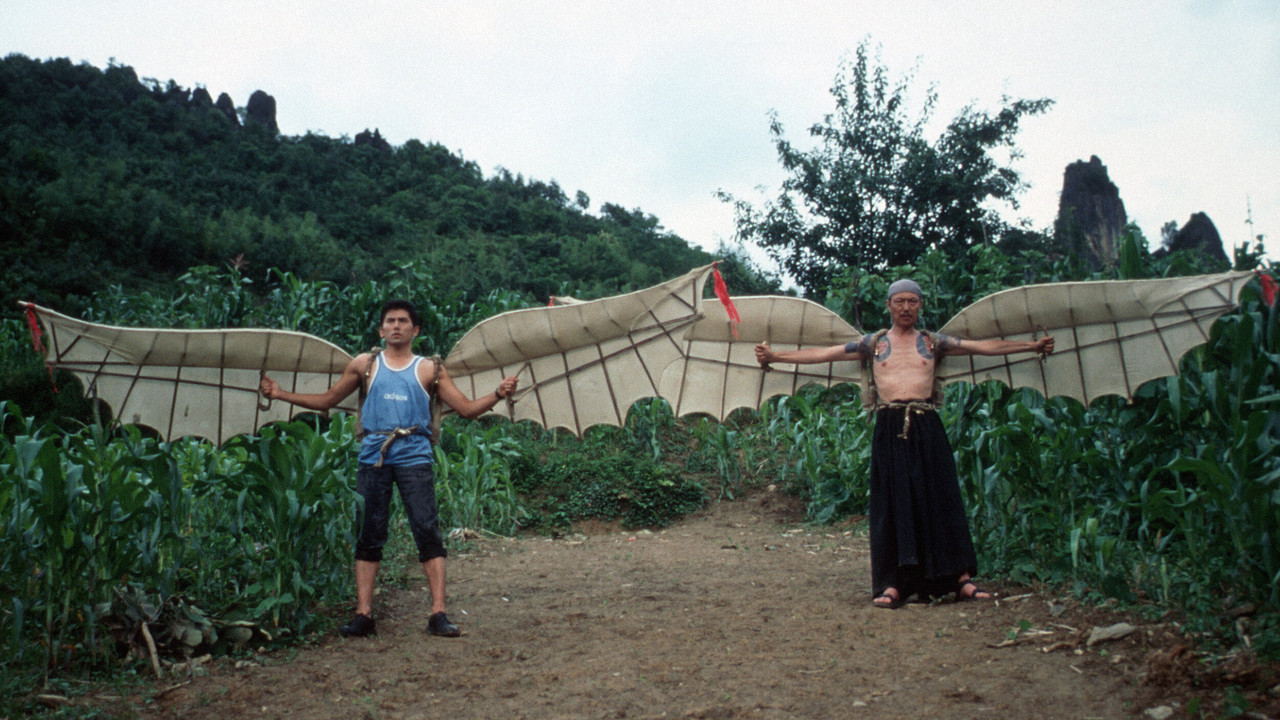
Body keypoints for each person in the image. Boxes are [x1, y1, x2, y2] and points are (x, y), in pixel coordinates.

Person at [754, 279, 1053, 609]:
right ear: (889, 305)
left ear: (920, 306)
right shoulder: (873, 345)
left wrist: (1031, 346)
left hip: (927, 425)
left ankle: (961, 579)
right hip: (890, 427)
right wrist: (775, 355)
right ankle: (892, 583)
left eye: (912, 301)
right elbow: (824, 353)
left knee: (942, 497)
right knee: (893, 503)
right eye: (900, 301)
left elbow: (982, 346)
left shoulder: (933, 343)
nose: (906, 307)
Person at [260, 299, 519, 637]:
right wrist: (280, 394)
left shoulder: (429, 369)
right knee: (369, 534)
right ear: (381, 330)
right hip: (373, 457)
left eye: (403, 321)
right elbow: (328, 400)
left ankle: (438, 613)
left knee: (427, 530)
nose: (396, 326)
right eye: (390, 321)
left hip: (415, 456)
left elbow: (467, 410)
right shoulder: (364, 365)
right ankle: (364, 615)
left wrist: (498, 394)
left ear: (416, 329)